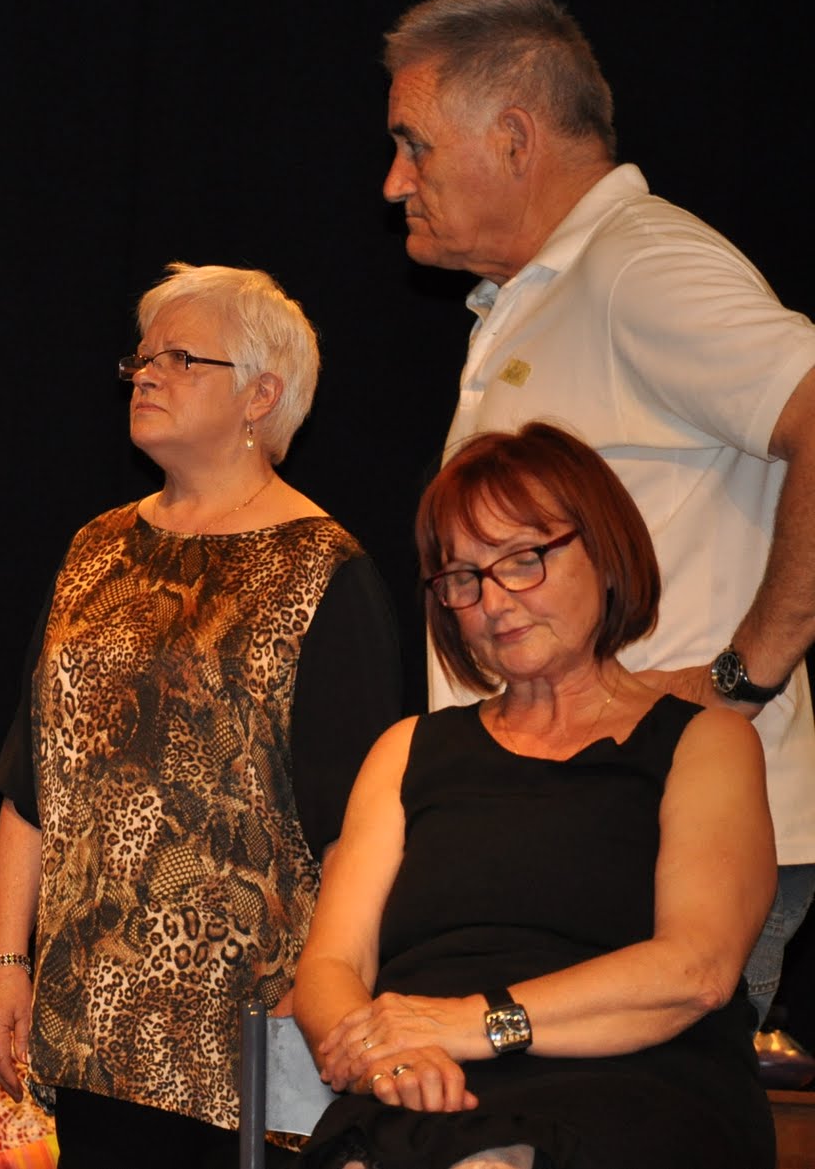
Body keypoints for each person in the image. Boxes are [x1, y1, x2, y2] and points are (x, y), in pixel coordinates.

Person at [381, 0, 815, 1030]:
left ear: (514, 137)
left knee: (632, 1111)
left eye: (414, 145)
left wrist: (743, 672)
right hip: (562, 838)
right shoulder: (541, 294)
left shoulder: (640, 265)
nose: (394, 181)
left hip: (659, 843)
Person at [0, 263, 402, 1167]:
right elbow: (32, 780)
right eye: (141, 358)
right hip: (87, 1020)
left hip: (246, 1029)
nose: (146, 375)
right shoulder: (95, 547)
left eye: (180, 358)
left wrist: (323, 986)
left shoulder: (324, 569)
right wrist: (4, 958)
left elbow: (361, 824)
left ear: (262, 396)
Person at [294, 421, 774, 1168]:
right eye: (463, 577)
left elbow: (696, 971)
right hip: (424, 1088)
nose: (493, 601)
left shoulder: (705, 743)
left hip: (632, 1086)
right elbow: (331, 966)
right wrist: (386, 1060)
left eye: (523, 559)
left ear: (605, 554)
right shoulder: (406, 751)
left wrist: (473, 1024)